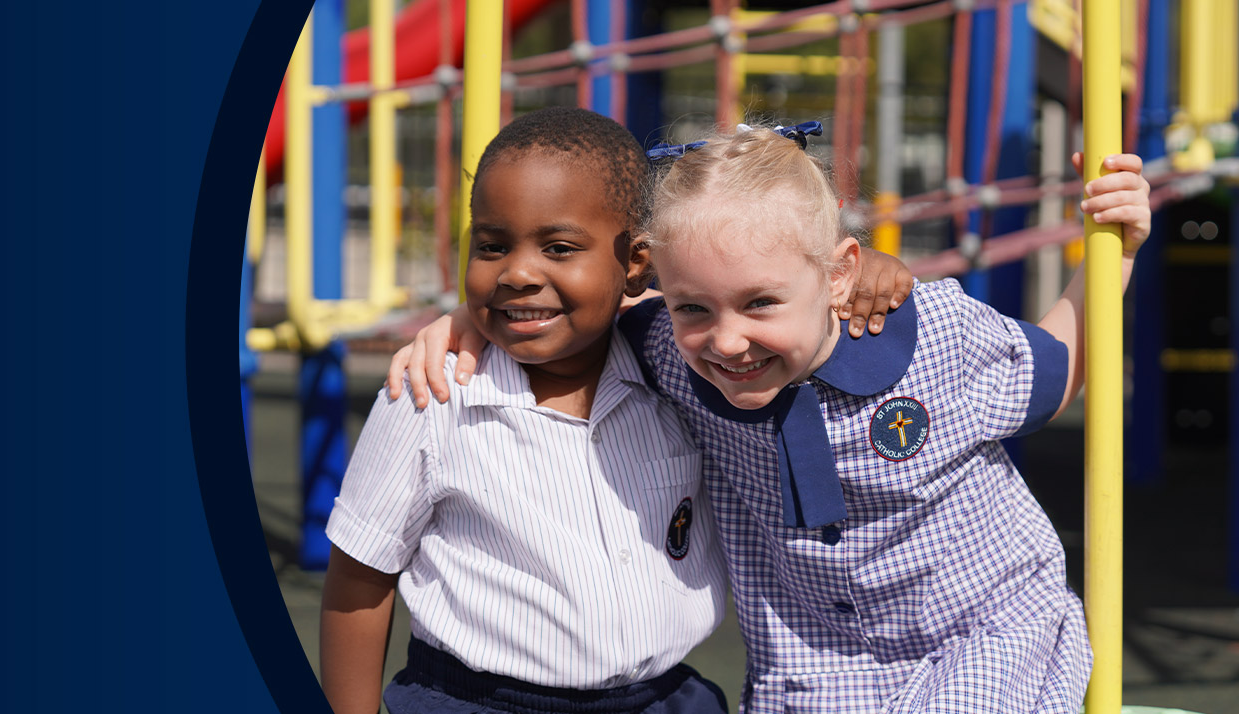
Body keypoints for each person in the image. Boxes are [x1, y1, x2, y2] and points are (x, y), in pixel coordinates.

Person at [388, 123, 1152, 713]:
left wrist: (1116, 251)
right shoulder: (668, 351)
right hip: (815, 662)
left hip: (977, 633)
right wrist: (467, 320)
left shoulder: (937, 342)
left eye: (761, 303)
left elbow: (1059, 366)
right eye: (693, 306)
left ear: (841, 272)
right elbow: (569, 307)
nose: (727, 340)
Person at [319, 108, 913, 714]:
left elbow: (763, 304)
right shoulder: (432, 394)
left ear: (635, 263)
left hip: (663, 697)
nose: (518, 272)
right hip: (478, 700)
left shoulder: (688, 371)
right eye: (492, 245)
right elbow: (361, 576)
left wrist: (870, 278)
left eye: (558, 247)